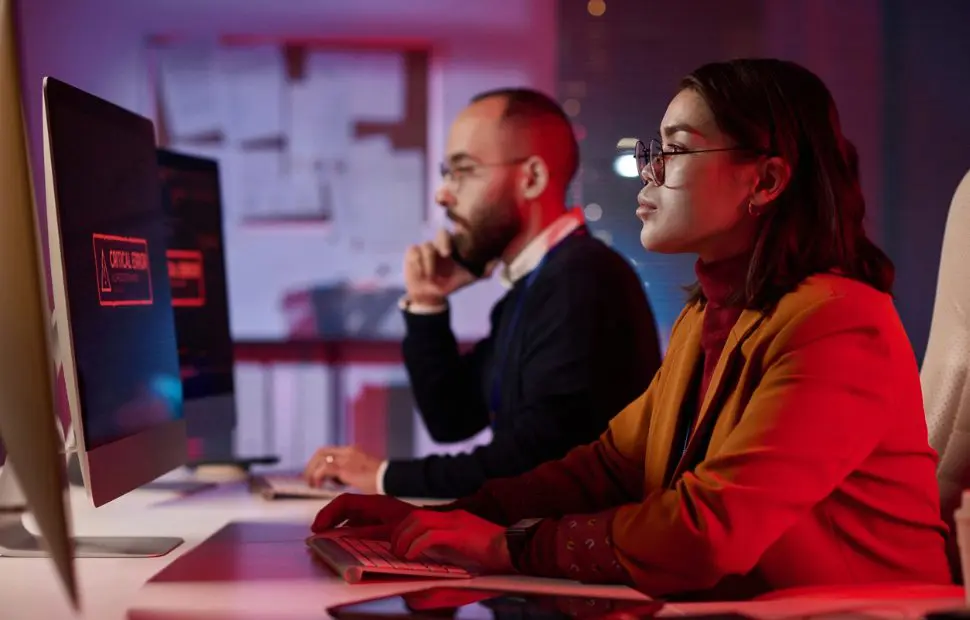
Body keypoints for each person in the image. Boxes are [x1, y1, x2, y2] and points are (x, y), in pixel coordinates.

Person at [310, 59, 952, 599]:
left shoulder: (837, 320)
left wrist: (508, 545)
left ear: (766, 180)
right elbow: (605, 468)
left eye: (673, 149)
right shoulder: (711, 315)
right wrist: (451, 515)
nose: (649, 171)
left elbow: (709, 530)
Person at [303, 88, 662, 499]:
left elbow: (535, 464)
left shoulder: (581, 281)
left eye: (463, 171)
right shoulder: (536, 284)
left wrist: (384, 476)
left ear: (532, 178)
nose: (444, 194)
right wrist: (427, 302)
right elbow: (452, 418)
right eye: (447, 173)